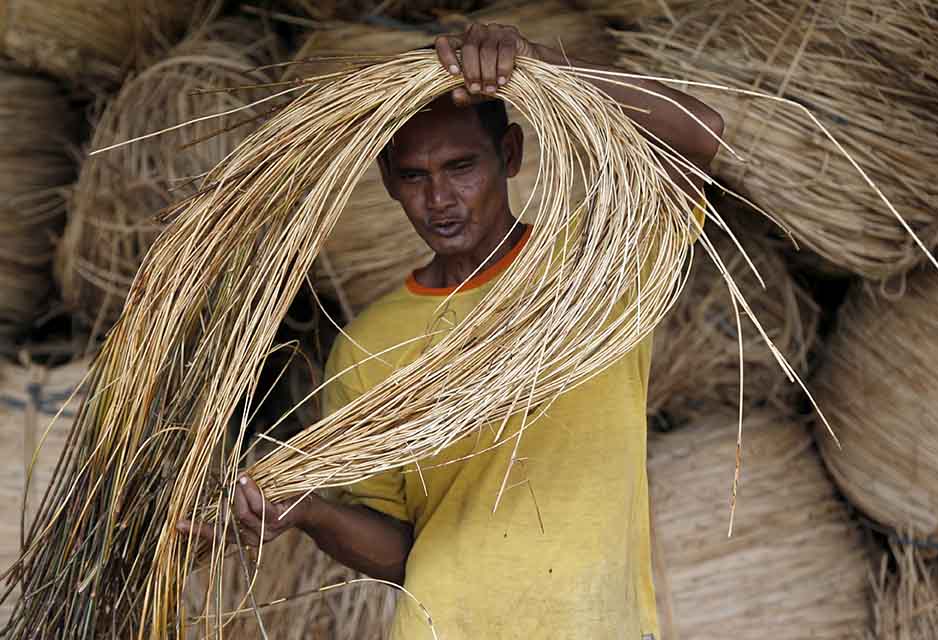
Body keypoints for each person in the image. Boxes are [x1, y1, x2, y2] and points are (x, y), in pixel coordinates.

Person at [179, 22, 723, 639]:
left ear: (510, 156)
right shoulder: (369, 343)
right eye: (414, 176)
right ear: (388, 182)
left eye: (461, 166)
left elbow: (699, 134)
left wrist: (542, 63)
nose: (440, 198)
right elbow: (398, 548)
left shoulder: (597, 270)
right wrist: (309, 514)